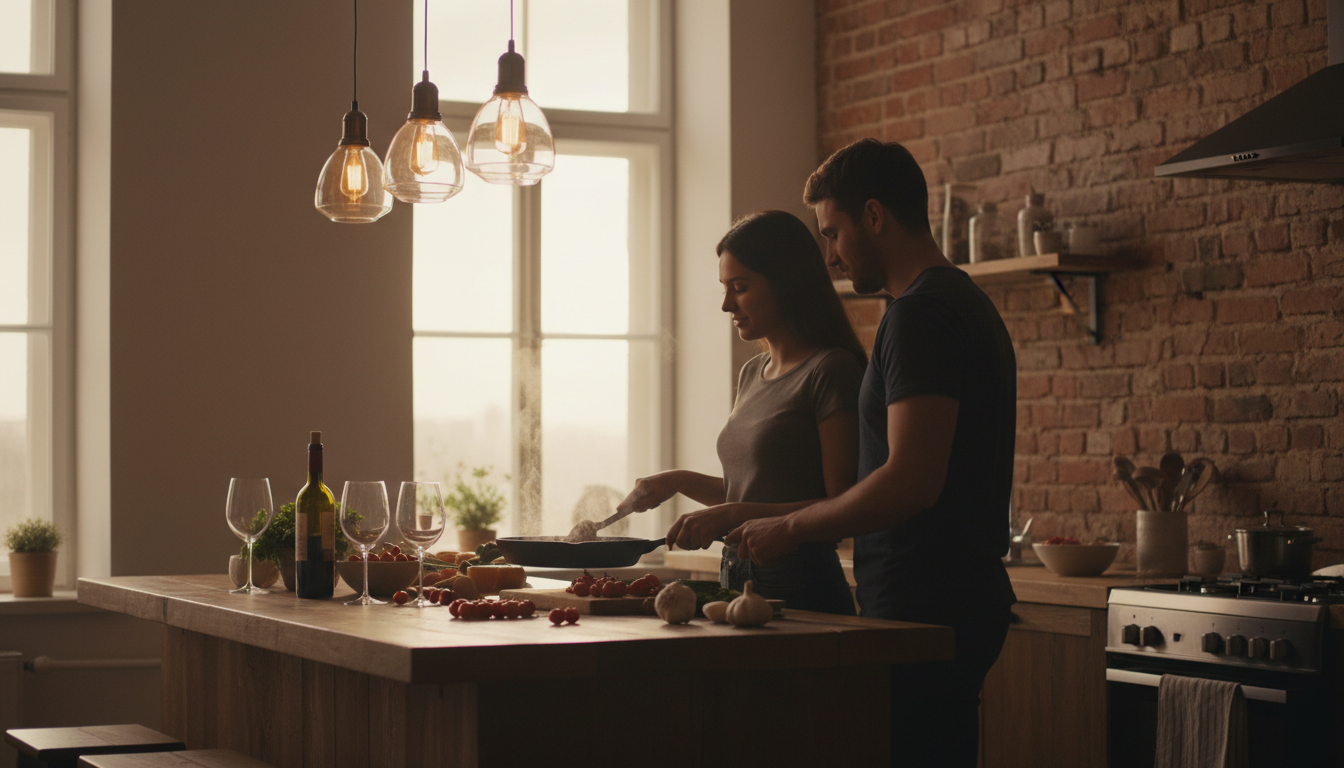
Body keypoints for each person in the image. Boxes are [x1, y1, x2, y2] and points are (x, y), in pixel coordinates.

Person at [724, 139, 1018, 767]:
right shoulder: (964, 303)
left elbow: (910, 480)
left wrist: (791, 526)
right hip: (952, 598)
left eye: (833, 232)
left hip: (926, 603)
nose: (828, 255)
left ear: (876, 217)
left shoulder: (919, 317)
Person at [618, 210, 865, 615]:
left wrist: (731, 515)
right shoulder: (753, 372)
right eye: (724, 288)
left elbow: (843, 504)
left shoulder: (831, 371)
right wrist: (680, 481)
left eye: (741, 287)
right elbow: (754, 491)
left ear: (787, 284)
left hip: (801, 582)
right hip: (734, 575)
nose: (726, 304)